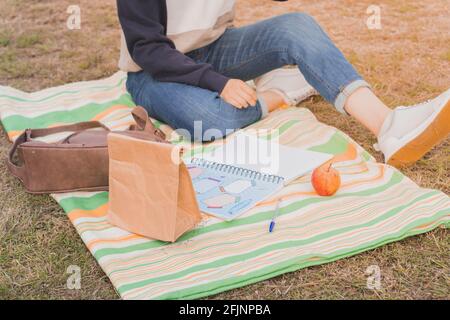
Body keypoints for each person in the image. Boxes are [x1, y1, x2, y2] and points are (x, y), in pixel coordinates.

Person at [117, 0, 449, 167]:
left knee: (297, 27)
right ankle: (279, 90)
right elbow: (147, 49)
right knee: (212, 119)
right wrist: (217, 82)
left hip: (214, 47)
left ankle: (388, 125)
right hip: (152, 71)